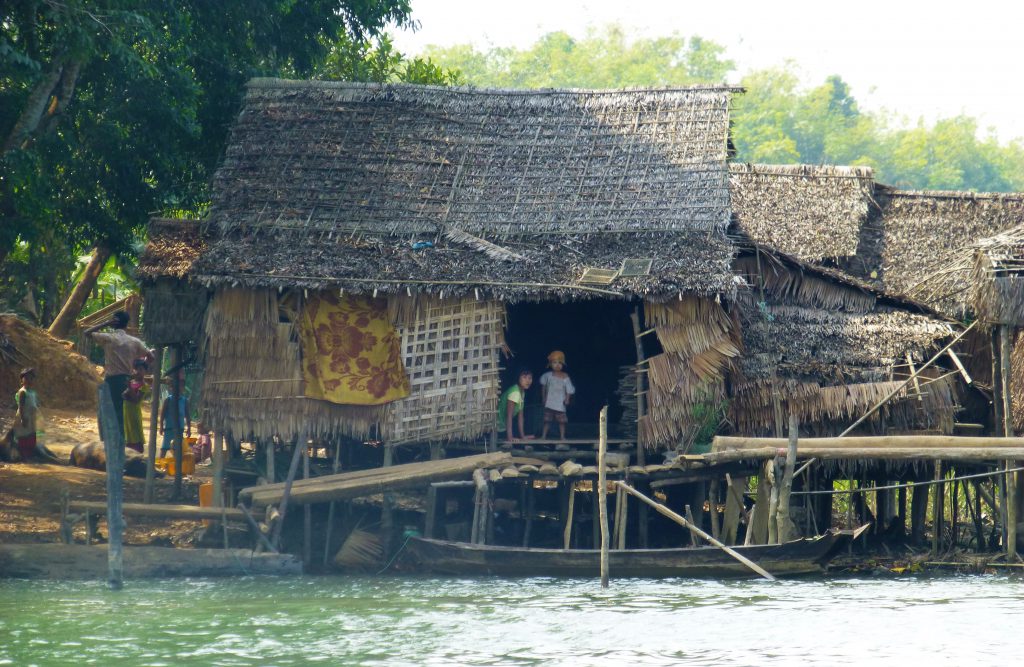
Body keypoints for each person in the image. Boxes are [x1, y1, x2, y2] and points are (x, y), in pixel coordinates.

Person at [83, 310, 152, 436]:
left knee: (106, 413)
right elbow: (151, 356)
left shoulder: (109, 338)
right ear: (126, 324)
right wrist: (139, 372)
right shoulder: (135, 341)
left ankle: (110, 444)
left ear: (114, 322)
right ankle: (121, 444)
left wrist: (106, 323)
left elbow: (86, 333)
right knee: (121, 413)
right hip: (126, 380)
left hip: (111, 380)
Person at [540, 350, 575, 442]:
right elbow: (543, 387)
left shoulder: (565, 376)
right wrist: (543, 398)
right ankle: (543, 436)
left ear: (563, 364)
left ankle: (562, 436)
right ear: (550, 364)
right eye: (554, 362)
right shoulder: (547, 376)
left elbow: (569, 390)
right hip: (550, 402)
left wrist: (567, 399)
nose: (557, 365)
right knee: (547, 420)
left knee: (561, 421)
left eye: (560, 363)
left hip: (560, 403)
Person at [496, 369, 535, 443]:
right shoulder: (515, 392)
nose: (528, 381)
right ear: (518, 378)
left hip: (504, 428)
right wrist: (510, 438)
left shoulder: (522, 392)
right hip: (498, 429)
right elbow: (509, 416)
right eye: (524, 377)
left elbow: (521, 417)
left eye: (530, 378)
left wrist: (523, 436)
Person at [159, 374, 191, 458]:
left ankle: (177, 467)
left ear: (183, 388)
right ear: (171, 388)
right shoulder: (168, 400)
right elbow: (162, 415)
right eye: (175, 386)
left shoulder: (184, 401)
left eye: (181, 386)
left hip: (179, 429)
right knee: (164, 447)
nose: (178, 388)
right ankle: (159, 465)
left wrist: (189, 429)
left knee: (178, 449)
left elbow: (187, 416)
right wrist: (161, 426)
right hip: (169, 428)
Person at [121, 358, 149, 453]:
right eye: (137, 369)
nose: (138, 371)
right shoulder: (132, 383)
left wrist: (129, 388)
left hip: (134, 413)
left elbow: (136, 400)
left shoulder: (144, 386)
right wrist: (130, 388)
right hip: (127, 412)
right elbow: (123, 395)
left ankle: (138, 454)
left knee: (136, 434)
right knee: (128, 433)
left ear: (145, 371)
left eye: (141, 369)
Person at [13, 368, 39, 461]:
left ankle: (29, 456)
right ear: (22, 380)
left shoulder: (32, 392)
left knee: (32, 437)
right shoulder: (22, 392)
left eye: (31, 378)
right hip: (23, 417)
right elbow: (21, 407)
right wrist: (23, 419)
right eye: (26, 378)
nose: (29, 380)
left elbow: (34, 405)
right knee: (23, 437)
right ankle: (23, 457)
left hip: (31, 418)